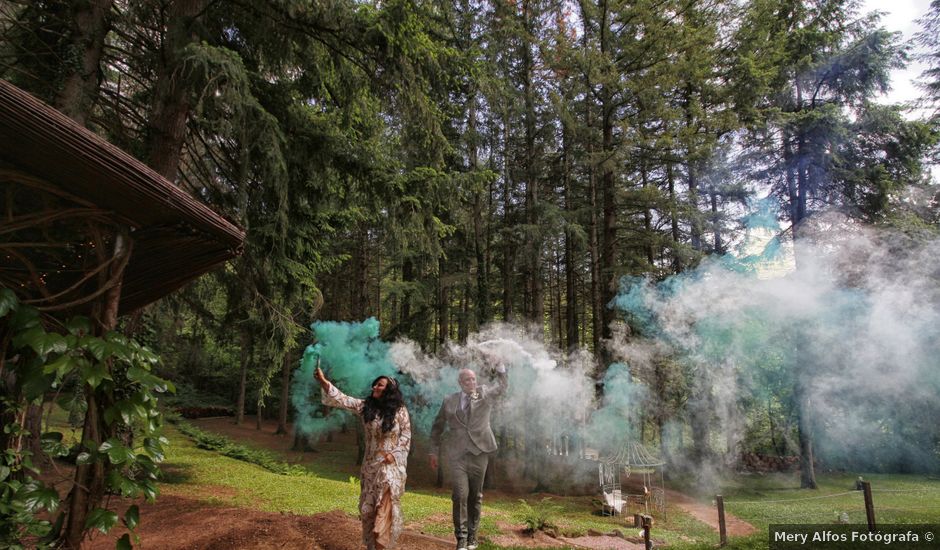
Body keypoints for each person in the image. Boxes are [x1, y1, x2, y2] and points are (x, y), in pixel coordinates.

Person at [315, 366, 411, 550]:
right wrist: (322, 380)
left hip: (391, 465)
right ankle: (373, 546)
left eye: (380, 385)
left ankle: (381, 538)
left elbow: (406, 436)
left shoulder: (400, 411)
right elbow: (342, 399)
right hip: (369, 466)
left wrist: (394, 454)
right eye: (375, 384)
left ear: (389, 390)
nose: (375, 386)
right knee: (368, 512)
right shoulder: (365, 407)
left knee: (383, 507)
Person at [429, 361, 508, 550]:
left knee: (475, 496)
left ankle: (473, 536)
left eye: (473, 378)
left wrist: (500, 368)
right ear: (460, 382)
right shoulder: (449, 400)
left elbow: (503, 387)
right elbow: (437, 426)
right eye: (467, 379)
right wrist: (433, 451)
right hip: (457, 455)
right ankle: (461, 539)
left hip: (480, 452)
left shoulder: (484, 393)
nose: (471, 382)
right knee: (459, 495)